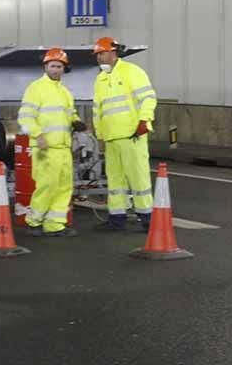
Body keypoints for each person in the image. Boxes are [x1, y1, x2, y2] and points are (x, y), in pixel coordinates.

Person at [17, 48, 87, 238]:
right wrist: (38, 135)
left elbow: (69, 113)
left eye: (59, 66)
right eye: (52, 66)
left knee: (64, 187)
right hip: (45, 147)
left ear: (64, 69)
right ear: (45, 67)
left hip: (63, 147)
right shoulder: (36, 88)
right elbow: (25, 117)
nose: (55, 70)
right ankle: (34, 222)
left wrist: (76, 120)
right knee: (46, 186)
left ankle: (55, 224)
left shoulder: (65, 91)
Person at [91, 37, 158, 233]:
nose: (99, 58)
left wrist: (145, 120)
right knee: (115, 180)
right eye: (97, 55)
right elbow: (98, 110)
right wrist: (101, 136)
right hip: (112, 137)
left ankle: (147, 219)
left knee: (138, 178)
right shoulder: (101, 79)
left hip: (132, 135)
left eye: (101, 53)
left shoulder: (131, 71)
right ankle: (116, 218)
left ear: (113, 52)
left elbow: (148, 97)